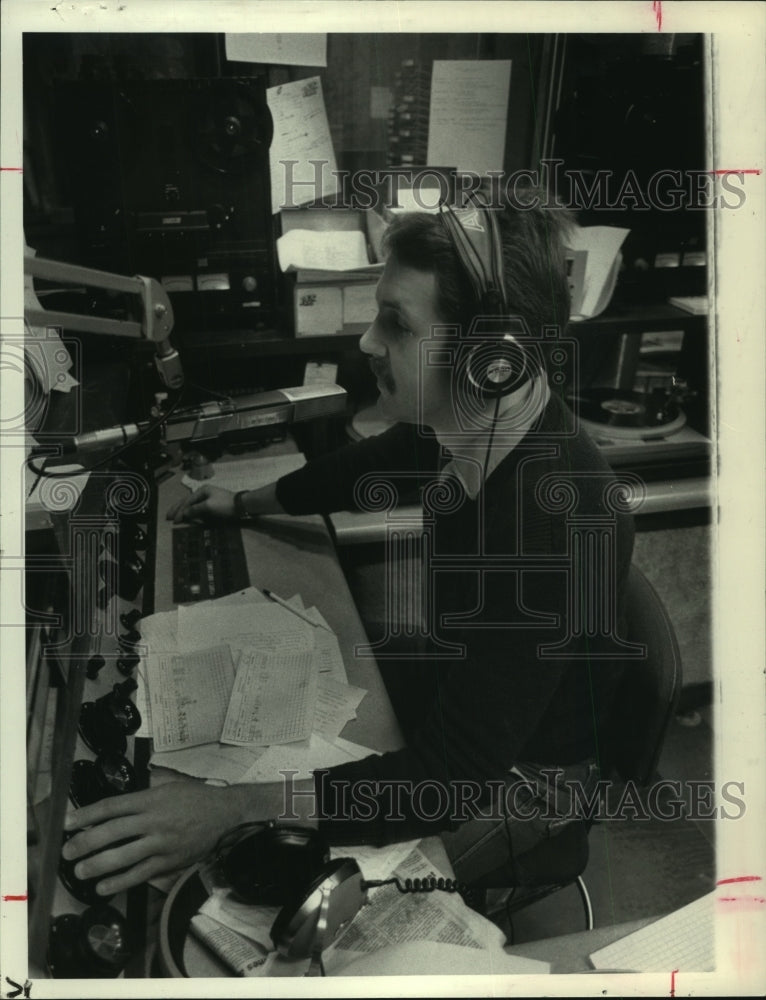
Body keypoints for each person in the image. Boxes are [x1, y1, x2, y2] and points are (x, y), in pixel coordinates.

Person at [63, 186, 635, 898]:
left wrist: (232, 810)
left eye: (394, 323)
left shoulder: (555, 519)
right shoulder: (479, 418)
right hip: (466, 704)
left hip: (527, 786)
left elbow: (447, 784)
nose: (368, 343)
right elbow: (382, 459)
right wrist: (244, 502)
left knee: (250, 885)